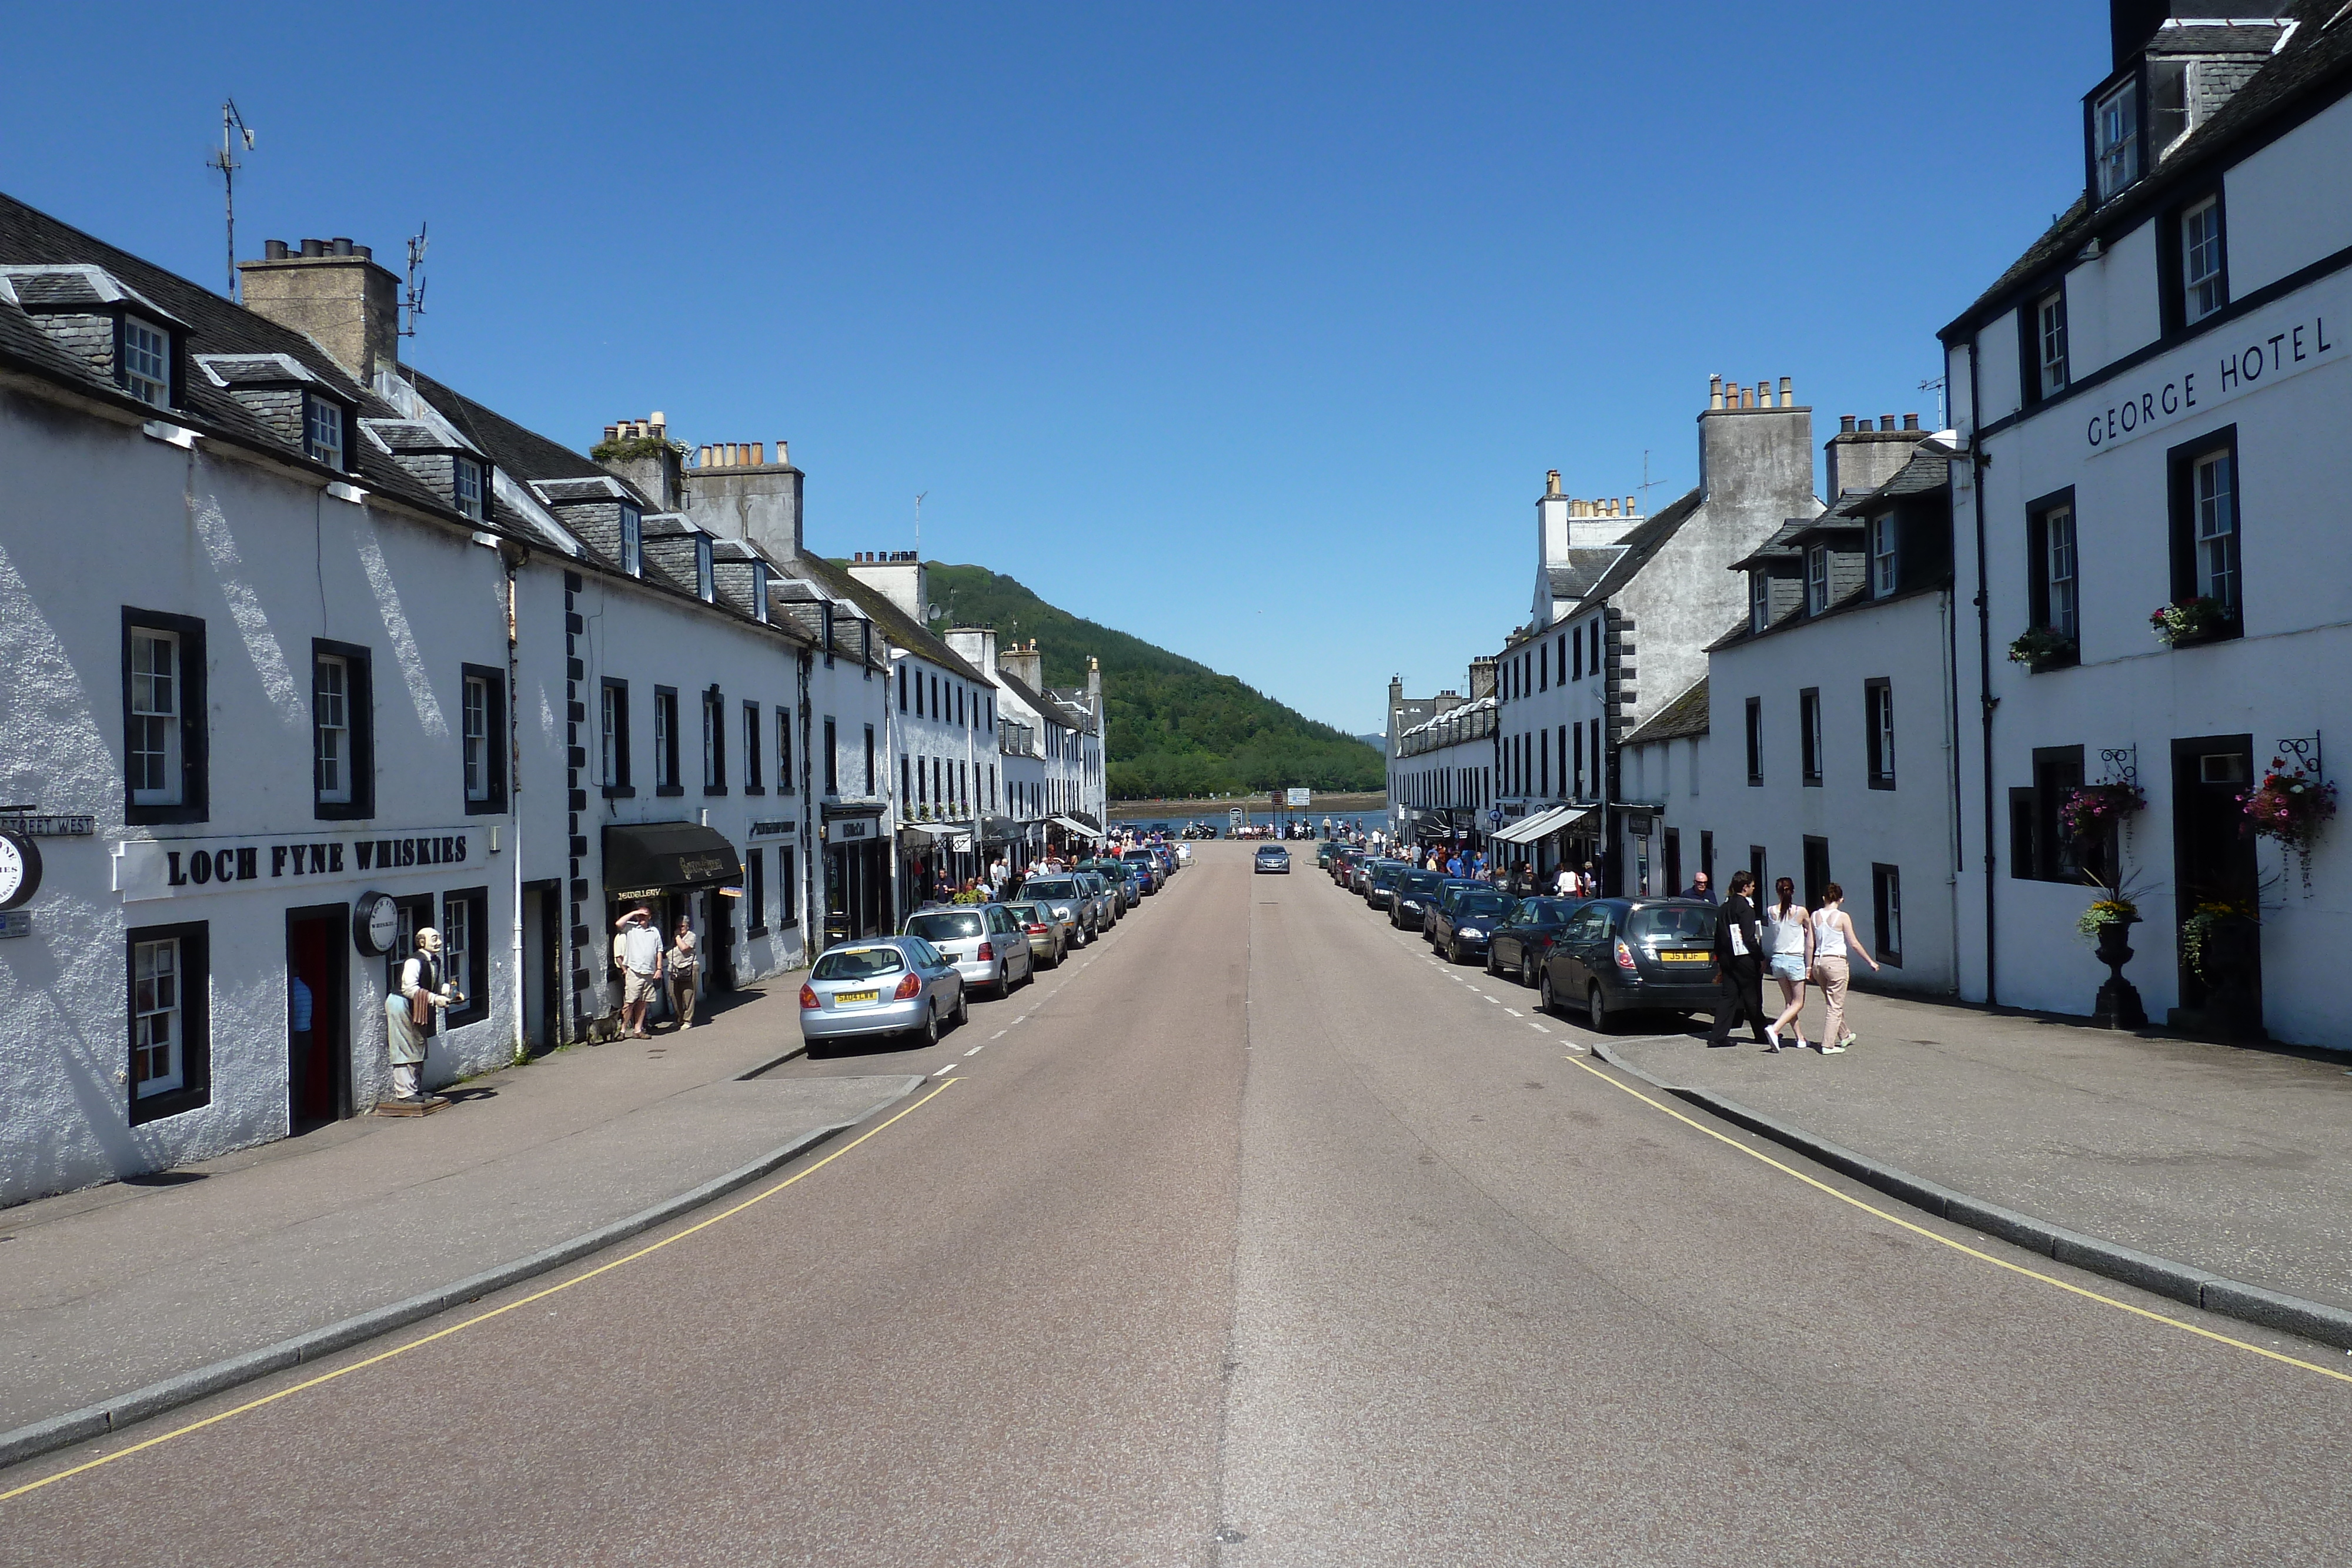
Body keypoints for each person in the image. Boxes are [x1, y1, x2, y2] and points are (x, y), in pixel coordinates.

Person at [387, 927, 460, 1102]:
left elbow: (433, 985)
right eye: (434, 939)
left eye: (439, 938)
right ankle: (405, 1093)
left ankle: (414, 1089)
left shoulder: (434, 961)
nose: (440, 943)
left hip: (417, 1004)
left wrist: (452, 993)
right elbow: (409, 988)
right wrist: (435, 999)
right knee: (406, 1047)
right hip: (401, 1004)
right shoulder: (414, 962)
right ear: (422, 942)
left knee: (418, 1045)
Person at [1810, 882, 1880, 1053]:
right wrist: (1870, 961)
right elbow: (1854, 943)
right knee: (1835, 1006)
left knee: (1831, 1001)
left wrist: (1808, 966)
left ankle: (1845, 1034)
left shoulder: (1815, 916)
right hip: (1836, 963)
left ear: (1824, 898)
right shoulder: (1842, 917)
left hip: (1818, 963)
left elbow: (1810, 944)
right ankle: (1827, 1044)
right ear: (1841, 899)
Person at [1706, 871, 1771, 1049]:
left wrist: (1719, 957)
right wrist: (1760, 957)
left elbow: (1718, 936)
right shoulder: (1745, 909)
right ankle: (1762, 1034)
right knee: (1753, 998)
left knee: (1728, 997)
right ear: (1745, 887)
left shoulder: (1724, 908)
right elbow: (1749, 938)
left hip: (1727, 958)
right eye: (1752, 885)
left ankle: (1717, 1037)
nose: (1754, 888)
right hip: (1744, 959)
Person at [1761, 877, 1813, 1052]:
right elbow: (1810, 930)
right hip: (1794, 959)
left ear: (1777, 892)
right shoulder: (1801, 912)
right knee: (1799, 1002)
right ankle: (1775, 1029)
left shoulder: (1771, 911)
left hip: (1778, 960)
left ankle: (1800, 1038)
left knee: (1789, 1003)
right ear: (1793, 891)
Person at [614, 905, 664, 1039]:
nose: (642, 918)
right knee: (629, 1002)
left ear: (649, 917)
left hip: (649, 972)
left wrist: (659, 969)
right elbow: (619, 924)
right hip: (634, 971)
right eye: (640, 916)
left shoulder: (654, 932)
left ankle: (638, 1029)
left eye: (644, 915)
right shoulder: (631, 928)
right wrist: (635, 912)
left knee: (644, 1001)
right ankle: (623, 1030)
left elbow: (659, 951)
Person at [666, 915, 700, 1031]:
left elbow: (684, 948)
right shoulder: (675, 937)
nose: (680, 929)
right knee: (673, 993)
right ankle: (679, 1018)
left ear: (688, 926)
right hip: (674, 968)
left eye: (683, 926)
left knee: (688, 995)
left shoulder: (691, 936)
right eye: (678, 927)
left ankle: (687, 1020)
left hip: (688, 968)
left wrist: (677, 938)